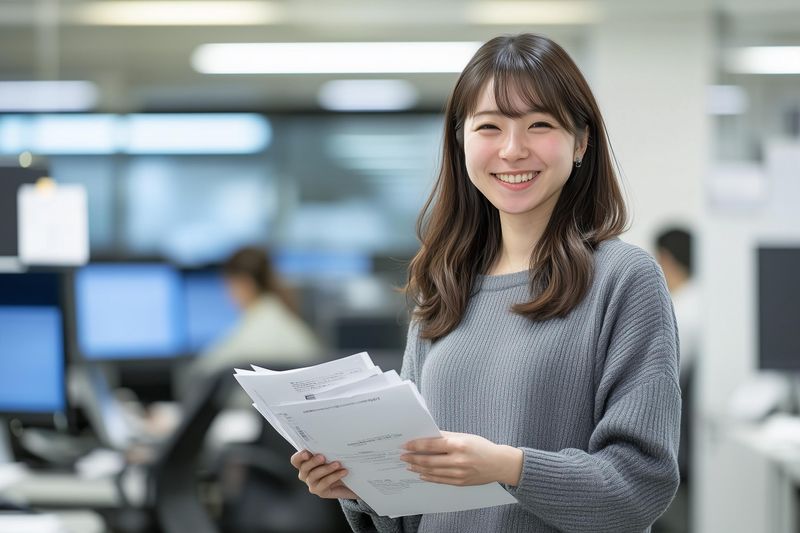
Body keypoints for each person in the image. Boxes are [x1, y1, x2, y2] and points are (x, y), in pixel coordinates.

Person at [290, 33, 681, 533]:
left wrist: (509, 468)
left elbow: (639, 487)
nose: (513, 150)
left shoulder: (624, 280)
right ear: (462, 141)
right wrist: (364, 485)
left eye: (539, 125)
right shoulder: (445, 282)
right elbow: (416, 498)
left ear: (581, 141)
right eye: (490, 127)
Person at [183, 246, 321, 401]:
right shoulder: (289, 322)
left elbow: (202, 375)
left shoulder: (251, 331)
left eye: (228, 285)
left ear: (244, 283)